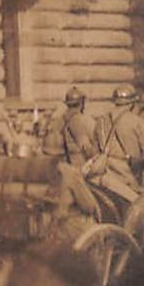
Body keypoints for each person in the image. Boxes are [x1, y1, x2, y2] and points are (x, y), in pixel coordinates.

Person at [91, 87, 144, 207]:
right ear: (133, 104)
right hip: (127, 178)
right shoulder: (138, 123)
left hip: (103, 176)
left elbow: (94, 151)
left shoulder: (101, 122)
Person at [43, 86, 102, 220]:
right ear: (82, 103)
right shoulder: (82, 120)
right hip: (83, 174)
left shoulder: (58, 121)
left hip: (60, 169)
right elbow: (87, 149)